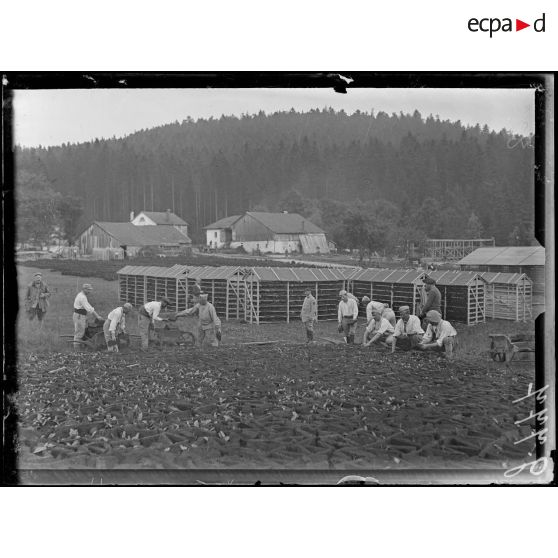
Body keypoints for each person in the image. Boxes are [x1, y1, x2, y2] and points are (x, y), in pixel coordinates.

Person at [73, 284, 103, 349]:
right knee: (79, 332)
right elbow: (89, 309)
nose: (90, 292)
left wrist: (97, 315)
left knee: (83, 330)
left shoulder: (82, 295)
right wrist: (97, 316)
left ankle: (82, 345)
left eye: (90, 290)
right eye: (88, 290)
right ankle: (76, 348)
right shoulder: (82, 297)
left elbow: (88, 305)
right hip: (79, 315)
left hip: (81, 315)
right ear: (84, 289)